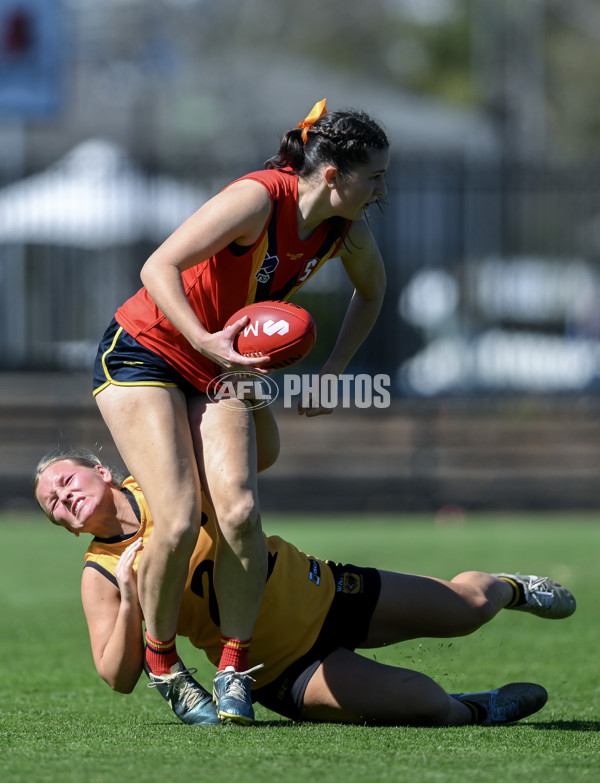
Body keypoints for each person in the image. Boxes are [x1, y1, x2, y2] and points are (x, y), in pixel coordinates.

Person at [91, 99, 390, 723]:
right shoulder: (259, 199)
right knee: (173, 521)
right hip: (147, 349)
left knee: (242, 510)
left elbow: (373, 293)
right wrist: (203, 339)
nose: (382, 189)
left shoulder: (345, 233)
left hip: (219, 366)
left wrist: (331, 376)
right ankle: (164, 663)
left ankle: (235, 664)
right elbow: (158, 265)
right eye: (375, 176)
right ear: (332, 174)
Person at [34, 448, 576, 727]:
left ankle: (512, 588)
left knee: (471, 606)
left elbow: (242, 469)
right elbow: (116, 675)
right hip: (277, 669)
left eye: (66, 481)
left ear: (102, 471)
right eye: (53, 504)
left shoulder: (166, 482)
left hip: (323, 589)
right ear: (63, 526)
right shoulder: (101, 571)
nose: (64, 498)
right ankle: (480, 710)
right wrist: (131, 598)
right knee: (427, 703)